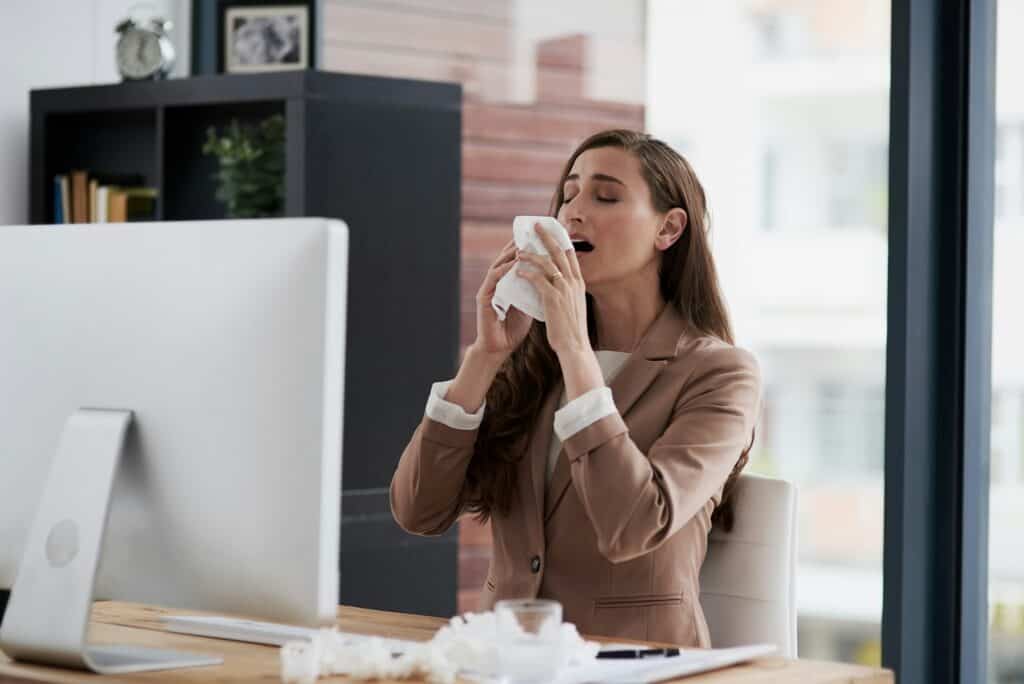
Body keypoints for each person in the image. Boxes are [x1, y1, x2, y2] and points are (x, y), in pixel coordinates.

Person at [390, 129, 762, 647]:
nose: (573, 212)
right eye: (568, 195)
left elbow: (633, 527)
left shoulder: (720, 374)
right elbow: (418, 511)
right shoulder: (530, 362)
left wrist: (576, 353)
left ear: (669, 229)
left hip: (635, 666)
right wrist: (485, 358)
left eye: (606, 196)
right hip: (507, 662)